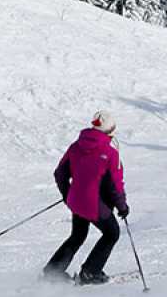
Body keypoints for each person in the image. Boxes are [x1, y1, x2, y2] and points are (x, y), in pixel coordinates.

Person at [43, 112, 129, 284]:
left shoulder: (76, 146)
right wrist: (122, 207)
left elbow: (60, 173)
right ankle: (90, 272)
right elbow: (115, 186)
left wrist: (68, 195)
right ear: (111, 130)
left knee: (78, 235)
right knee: (112, 233)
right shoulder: (110, 153)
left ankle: (52, 271)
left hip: (76, 202)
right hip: (94, 206)